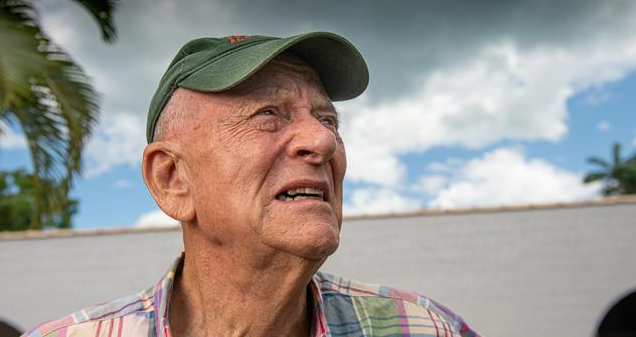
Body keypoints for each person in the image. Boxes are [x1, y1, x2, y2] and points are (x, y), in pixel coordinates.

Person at [24, 32, 480, 337]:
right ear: (172, 179)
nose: (322, 141)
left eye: (327, 120)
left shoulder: (424, 328)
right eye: (267, 115)